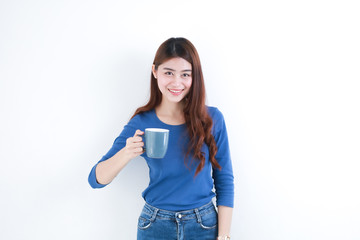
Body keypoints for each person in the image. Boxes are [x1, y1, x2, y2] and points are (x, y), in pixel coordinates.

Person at [88, 37, 234, 240]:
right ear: (155, 71)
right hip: (155, 225)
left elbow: (224, 180)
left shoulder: (212, 119)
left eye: (185, 74)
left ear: (194, 77)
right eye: (168, 73)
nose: (176, 82)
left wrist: (224, 235)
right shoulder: (141, 122)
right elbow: (96, 180)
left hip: (204, 225)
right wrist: (126, 153)